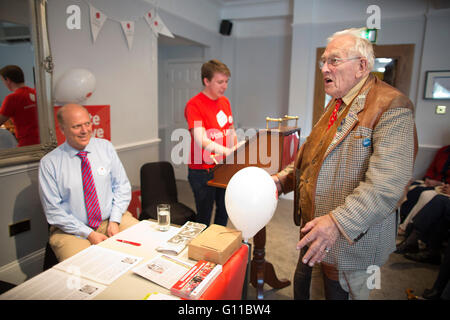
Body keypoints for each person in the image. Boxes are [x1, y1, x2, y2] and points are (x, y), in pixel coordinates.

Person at [273, 28, 417, 300]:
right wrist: (281, 181)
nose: (325, 68)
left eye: (334, 61)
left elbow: (387, 186)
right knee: (305, 291)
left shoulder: (393, 106)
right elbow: (310, 158)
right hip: (316, 232)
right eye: (323, 61)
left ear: (362, 66)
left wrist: (337, 223)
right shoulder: (337, 103)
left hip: (350, 241)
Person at [38, 104, 138, 261]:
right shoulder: (50, 163)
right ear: (62, 129)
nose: (85, 130)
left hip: (110, 219)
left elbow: (122, 186)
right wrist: (89, 234)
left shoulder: (105, 147)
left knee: (144, 245)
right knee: (83, 268)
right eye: (77, 126)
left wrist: (115, 219)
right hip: (71, 230)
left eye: (87, 124)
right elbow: (53, 211)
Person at [184, 59, 242, 226]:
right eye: (219, 82)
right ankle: (202, 251)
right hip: (202, 171)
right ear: (206, 81)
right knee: (204, 217)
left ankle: (217, 248)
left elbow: (230, 130)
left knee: (224, 212)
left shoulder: (225, 101)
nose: (224, 86)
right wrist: (227, 151)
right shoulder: (194, 105)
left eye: (226, 82)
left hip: (223, 167)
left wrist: (237, 150)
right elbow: (201, 139)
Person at [398, 145, 450, 230]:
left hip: (444, 187)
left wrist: (440, 183)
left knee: (423, 193)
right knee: (409, 186)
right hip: (433, 181)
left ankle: (406, 227)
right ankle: (401, 217)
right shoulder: (443, 150)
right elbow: (432, 168)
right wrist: (428, 178)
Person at [0, 65, 40, 147]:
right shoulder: (36, 93)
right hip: (43, 141)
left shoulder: (12, 98)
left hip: (27, 145)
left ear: (7, 80)